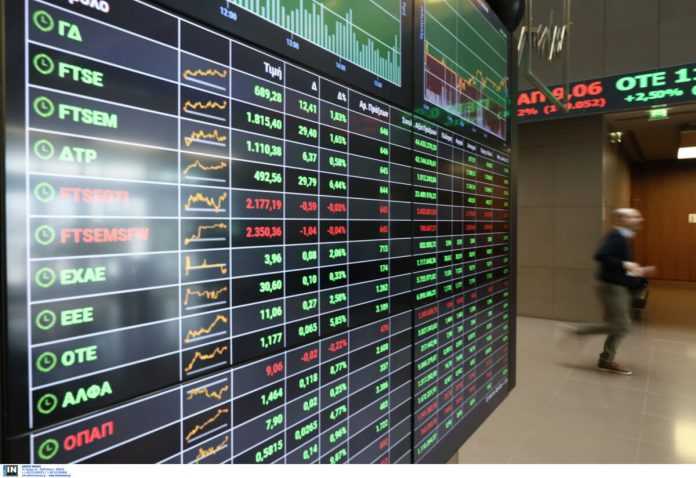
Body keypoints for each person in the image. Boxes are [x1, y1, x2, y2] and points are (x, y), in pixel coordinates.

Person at [575, 208, 655, 375]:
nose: (640, 219)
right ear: (623, 219)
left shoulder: (624, 237)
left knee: (619, 325)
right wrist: (626, 265)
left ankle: (606, 359)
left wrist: (638, 270)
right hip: (612, 288)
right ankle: (581, 332)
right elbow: (600, 255)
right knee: (622, 326)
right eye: (635, 217)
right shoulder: (616, 236)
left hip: (616, 286)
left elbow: (618, 264)